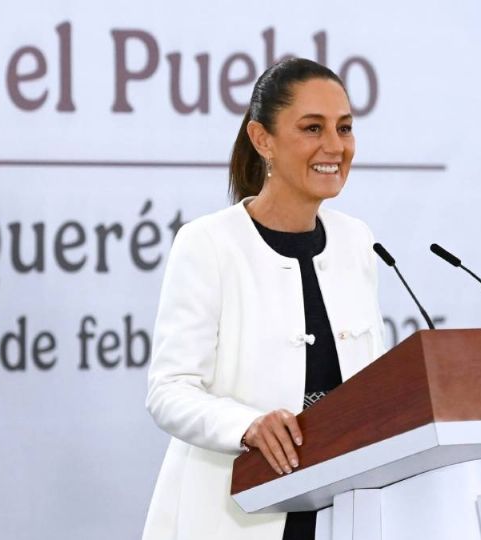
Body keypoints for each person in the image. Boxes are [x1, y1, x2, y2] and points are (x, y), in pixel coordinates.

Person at [142, 58, 387, 540]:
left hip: (345, 513)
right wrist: (247, 425)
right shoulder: (208, 242)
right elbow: (168, 390)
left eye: (345, 128)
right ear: (262, 140)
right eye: (312, 128)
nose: (335, 147)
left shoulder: (356, 240)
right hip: (235, 516)